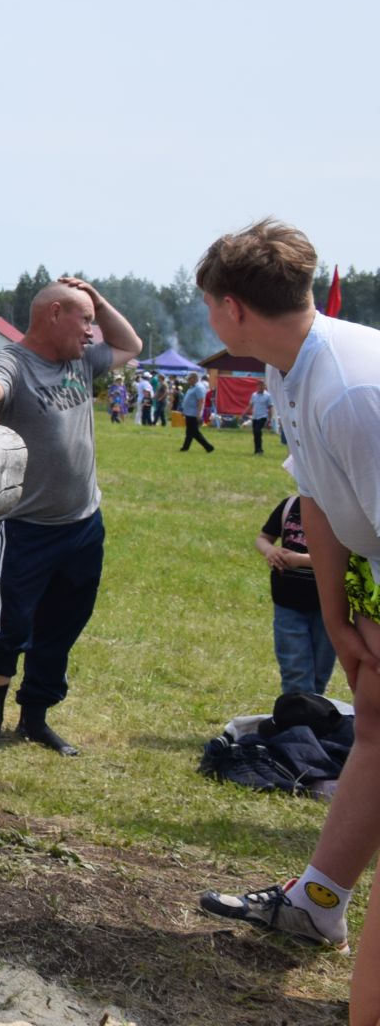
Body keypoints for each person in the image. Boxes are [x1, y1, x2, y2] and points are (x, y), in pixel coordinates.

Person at [194, 222, 380, 990]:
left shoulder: (351, 391)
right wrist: (337, 617)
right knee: (371, 727)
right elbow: (320, 496)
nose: (208, 318)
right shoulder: (289, 365)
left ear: (231, 307)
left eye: (207, 305)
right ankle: (316, 906)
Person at [0, 278, 140, 756]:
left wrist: (98, 300)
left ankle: (34, 719)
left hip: (83, 523)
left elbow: (131, 344)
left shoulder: (81, 359)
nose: (91, 332)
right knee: (12, 624)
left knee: (62, 624)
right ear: (54, 313)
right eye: (84, 320)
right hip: (27, 529)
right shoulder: (14, 361)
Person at [256, 493, 329, 696]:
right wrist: (269, 550)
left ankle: (312, 710)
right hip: (287, 601)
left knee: (320, 670)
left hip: (328, 604)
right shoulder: (289, 505)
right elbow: (263, 538)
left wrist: (300, 559)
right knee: (294, 667)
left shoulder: (339, 508)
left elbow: (343, 557)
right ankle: (298, 715)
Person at [180, 372, 214, 452]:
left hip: (194, 413)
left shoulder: (199, 388)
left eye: (189, 379)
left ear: (195, 378)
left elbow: (201, 401)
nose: (188, 380)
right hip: (189, 412)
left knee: (194, 432)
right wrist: (184, 410)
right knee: (189, 432)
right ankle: (185, 447)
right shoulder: (192, 387)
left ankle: (209, 447)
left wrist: (199, 413)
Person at [250, 382, 272, 455]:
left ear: (264, 386)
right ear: (257, 386)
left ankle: (260, 449)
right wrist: (244, 413)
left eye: (262, 385)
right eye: (259, 386)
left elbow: (270, 408)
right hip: (255, 417)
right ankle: (256, 449)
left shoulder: (267, 396)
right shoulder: (254, 395)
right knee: (255, 434)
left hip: (263, 416)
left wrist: (269, 419)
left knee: (258, 431)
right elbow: (251, 405)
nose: (260, 387)